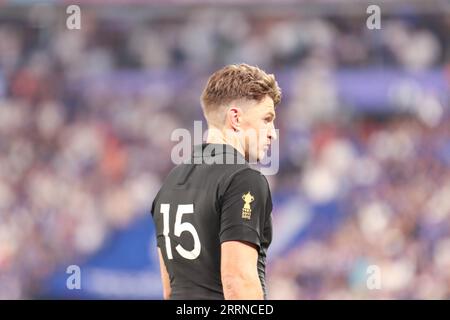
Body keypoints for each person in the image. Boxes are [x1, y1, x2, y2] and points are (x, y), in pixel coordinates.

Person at [151, 63, 281, 300]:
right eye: (267, 119)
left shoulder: (170, 184)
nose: (273, 132)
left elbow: (170, 290)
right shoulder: (243, 180)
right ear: (235, 118)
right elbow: (238, 284)